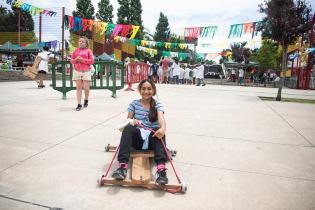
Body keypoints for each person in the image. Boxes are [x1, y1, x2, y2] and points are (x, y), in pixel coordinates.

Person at [112, 79, 168, 185]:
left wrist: (163, 128)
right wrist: (132, 121)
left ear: (153, 90)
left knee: (158, 130)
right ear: (139, 90)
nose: (146, 91)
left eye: (149, 89)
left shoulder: (157, 105)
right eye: (143, 89)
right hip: (138, 141)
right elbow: (126, 121)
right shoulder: (134, 104)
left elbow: (161, 119)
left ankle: (161, 171)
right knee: (128, 127)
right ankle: (122, 167)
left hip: (152, 140)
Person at [70, 36, 94, 111]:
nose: (81, 43)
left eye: (83, 41)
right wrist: (76, 59)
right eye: (80, 41)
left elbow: (92, 61)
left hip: (86, 71)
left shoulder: (89, 51)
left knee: (86, 88)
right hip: (77, 71)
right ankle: (79, 104)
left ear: (86, 43)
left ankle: (86, 99)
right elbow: (72, 61)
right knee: (78, 88)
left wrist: (82, 60)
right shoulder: (75, 51)